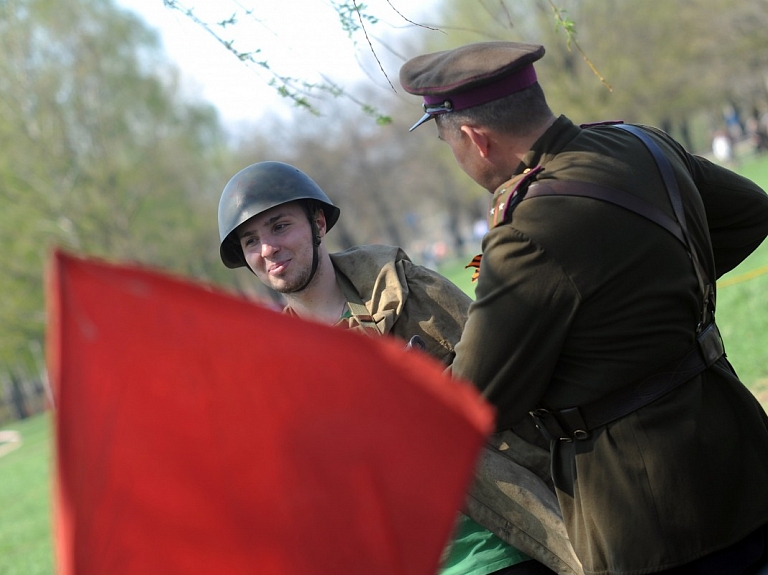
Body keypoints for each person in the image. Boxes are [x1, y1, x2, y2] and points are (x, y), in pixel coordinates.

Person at [400, 41, 768, 575]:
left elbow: (477, 405)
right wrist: (647, 301)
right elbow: (750, 212)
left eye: (446, 141)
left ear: (476, 139)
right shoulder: (643, 144)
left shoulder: (526, 232)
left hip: (650, 517)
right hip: (744, 460)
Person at [217, 160, 561, 575]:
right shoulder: (272, 371)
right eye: (250, 241)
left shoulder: (408, 293)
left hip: (501, 547)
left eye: (279, 226)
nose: (267, 249)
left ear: (318, 223)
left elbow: (514, 378)